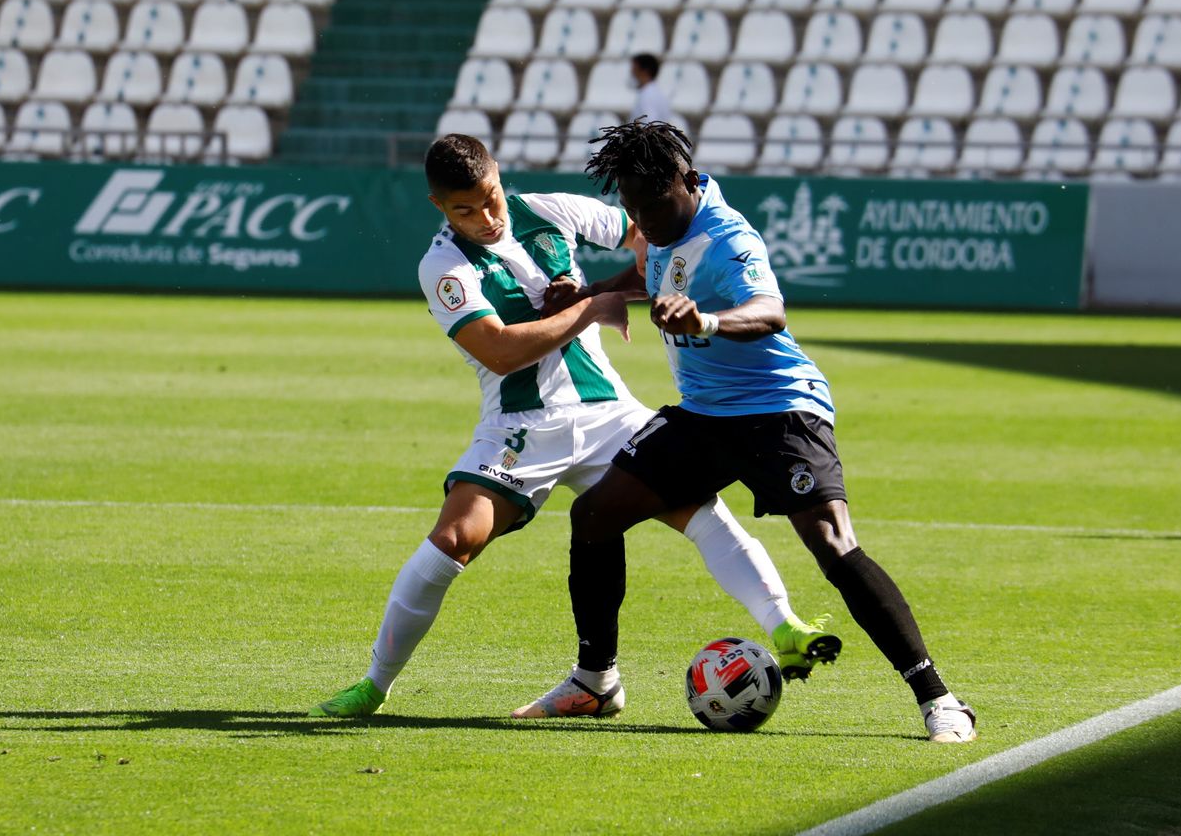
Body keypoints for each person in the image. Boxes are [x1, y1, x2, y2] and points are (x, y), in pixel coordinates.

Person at [310, 134, 840, 720]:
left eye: (491, 199)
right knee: (452, 542)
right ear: (440, 206)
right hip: (519, 427)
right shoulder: (443, 265)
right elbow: (500, 351)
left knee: (700, 509)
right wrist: (588, 306)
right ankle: (375, 685)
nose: (485, 218)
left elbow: (650, 243)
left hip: (608, 411)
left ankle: (785, 628)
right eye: (465, 210)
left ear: (498, 177)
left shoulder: (548, 209)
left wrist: (607, 285)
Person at [523, 121, 977, 743]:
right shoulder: (663, 224)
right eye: (630, 207)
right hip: (706, 415)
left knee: (832, 544)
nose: (643, 221)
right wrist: (593, 291)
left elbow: (770, 311)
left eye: (653, 205)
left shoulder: (728, 236)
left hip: (780, 409)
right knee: (595, 515)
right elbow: (656, 275)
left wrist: (706, 320)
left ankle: (939, 699)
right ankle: (594, 680)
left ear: (688, 181)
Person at [630, 53, 673, 127]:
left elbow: (649, 124)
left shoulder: (647, 95)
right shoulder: (655, 92)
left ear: (645, 71)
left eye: (635, 68)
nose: (632, 72)